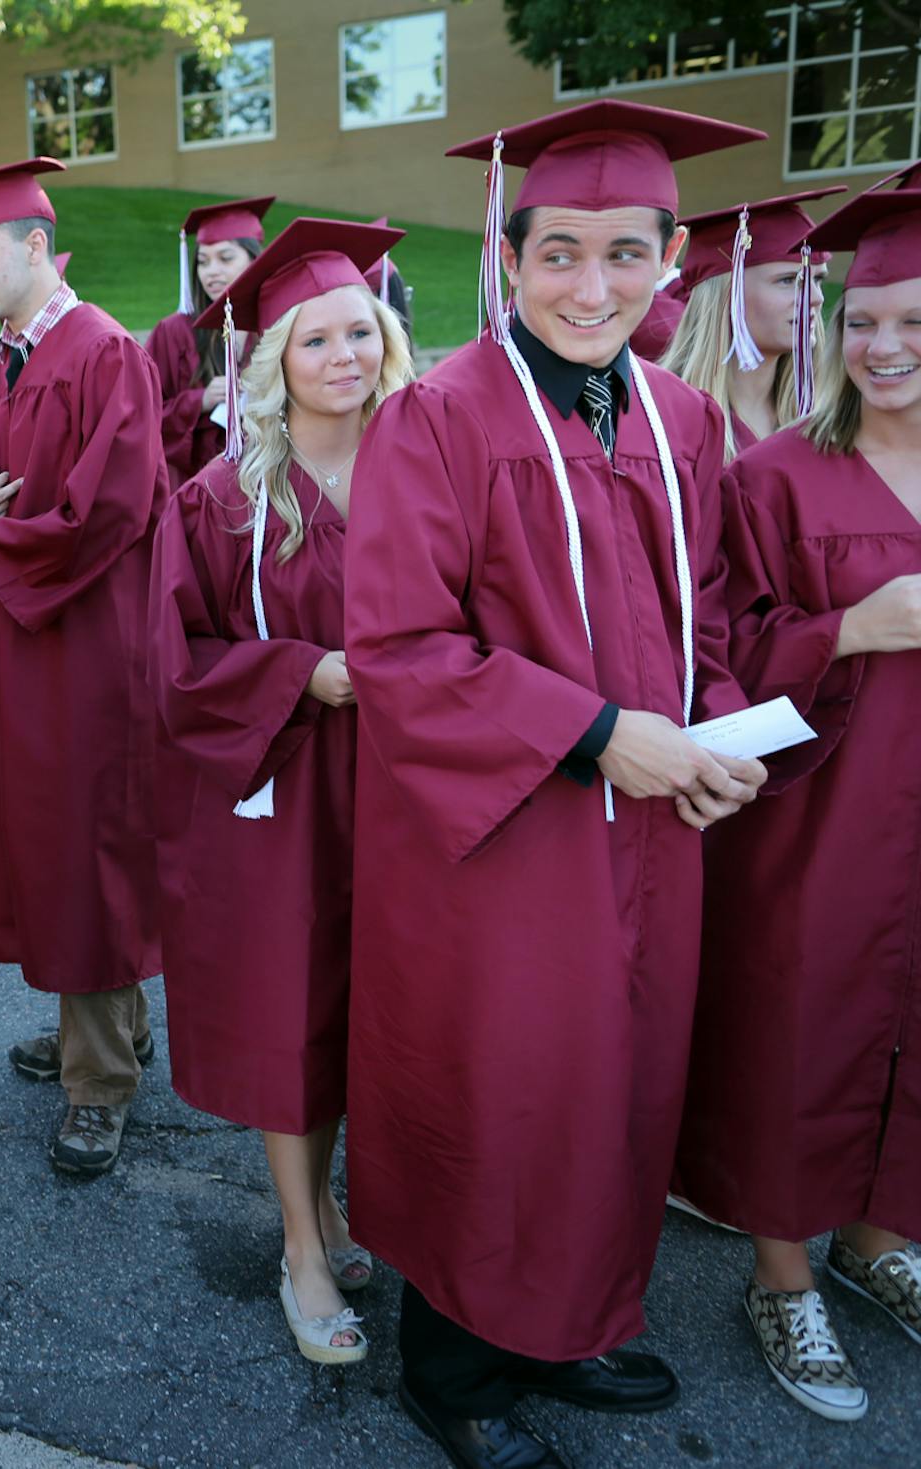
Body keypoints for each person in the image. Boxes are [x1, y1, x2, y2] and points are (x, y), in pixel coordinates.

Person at [343, 100, 770, 1469]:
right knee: (502, 1085)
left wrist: (705, 740)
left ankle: (564, 1320)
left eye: (627, 255)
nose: (595, 287)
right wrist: (597, 733)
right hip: (503, 833)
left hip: (649, 822)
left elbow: (699, 600)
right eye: (563, 255)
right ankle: (455, 1369)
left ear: (674, 256)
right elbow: (399, 647)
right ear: (508, 256)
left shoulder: (684, 417)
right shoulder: (439, 416)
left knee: (618, 1080)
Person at [675, 185, 921, 1424]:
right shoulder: (776, 475)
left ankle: (880, 1241)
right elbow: (721, 643)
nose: (882, 347)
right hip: (821, 820)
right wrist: (849, 628)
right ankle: (783, 1272)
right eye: (863, 319)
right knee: (804, 1026)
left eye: (913, 321)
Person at [150, 219, 414, 1369]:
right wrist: (304, 671)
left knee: (382, 1011)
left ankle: (345, 1206)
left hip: (413, 793)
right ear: (275, 358)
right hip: (285, 784)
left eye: (362, 331)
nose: (345, 356)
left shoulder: (432, 468)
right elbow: (175, 657)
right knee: (290, 1015)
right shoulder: (224, 497)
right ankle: (303, 1242)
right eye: (318, 339)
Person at [0, 157, 166, 1178]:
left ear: (35, 246)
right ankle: (100, 1025)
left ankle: (100, 1080)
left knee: (87, 856)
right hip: (21, 651)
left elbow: (104, 512)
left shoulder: (105, 354)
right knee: (50, 847)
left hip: (86, 653)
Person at [660, 189, 840, 458]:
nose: (815, 298)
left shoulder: (826, 419)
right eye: (789, 281)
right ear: (727, 295)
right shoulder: (661, 416)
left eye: (817, 280)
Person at [148, 198, 272, 485]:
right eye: (203, 262)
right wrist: (198, 401)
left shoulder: (276, 327)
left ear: (255, 260)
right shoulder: (174, 332)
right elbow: (142, 415)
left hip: (268, 481)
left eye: (226, 258)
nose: (211, 271)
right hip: (196, 487)